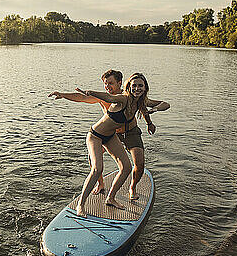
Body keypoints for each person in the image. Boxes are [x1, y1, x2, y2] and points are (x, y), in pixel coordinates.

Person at [50, 72, 169, 216]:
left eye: (110, 83)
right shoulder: (122, 98)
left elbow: (165, 104)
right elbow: (105, 97)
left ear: (120, 83)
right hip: (96, 136)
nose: (107, 86)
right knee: (97, 168)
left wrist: (154, 111)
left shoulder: (138, 99)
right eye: (105, 84)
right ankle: (81, 205)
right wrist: (71, 94)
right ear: (129, 86)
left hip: (114, 135)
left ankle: (111, 198)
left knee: (126, 168)